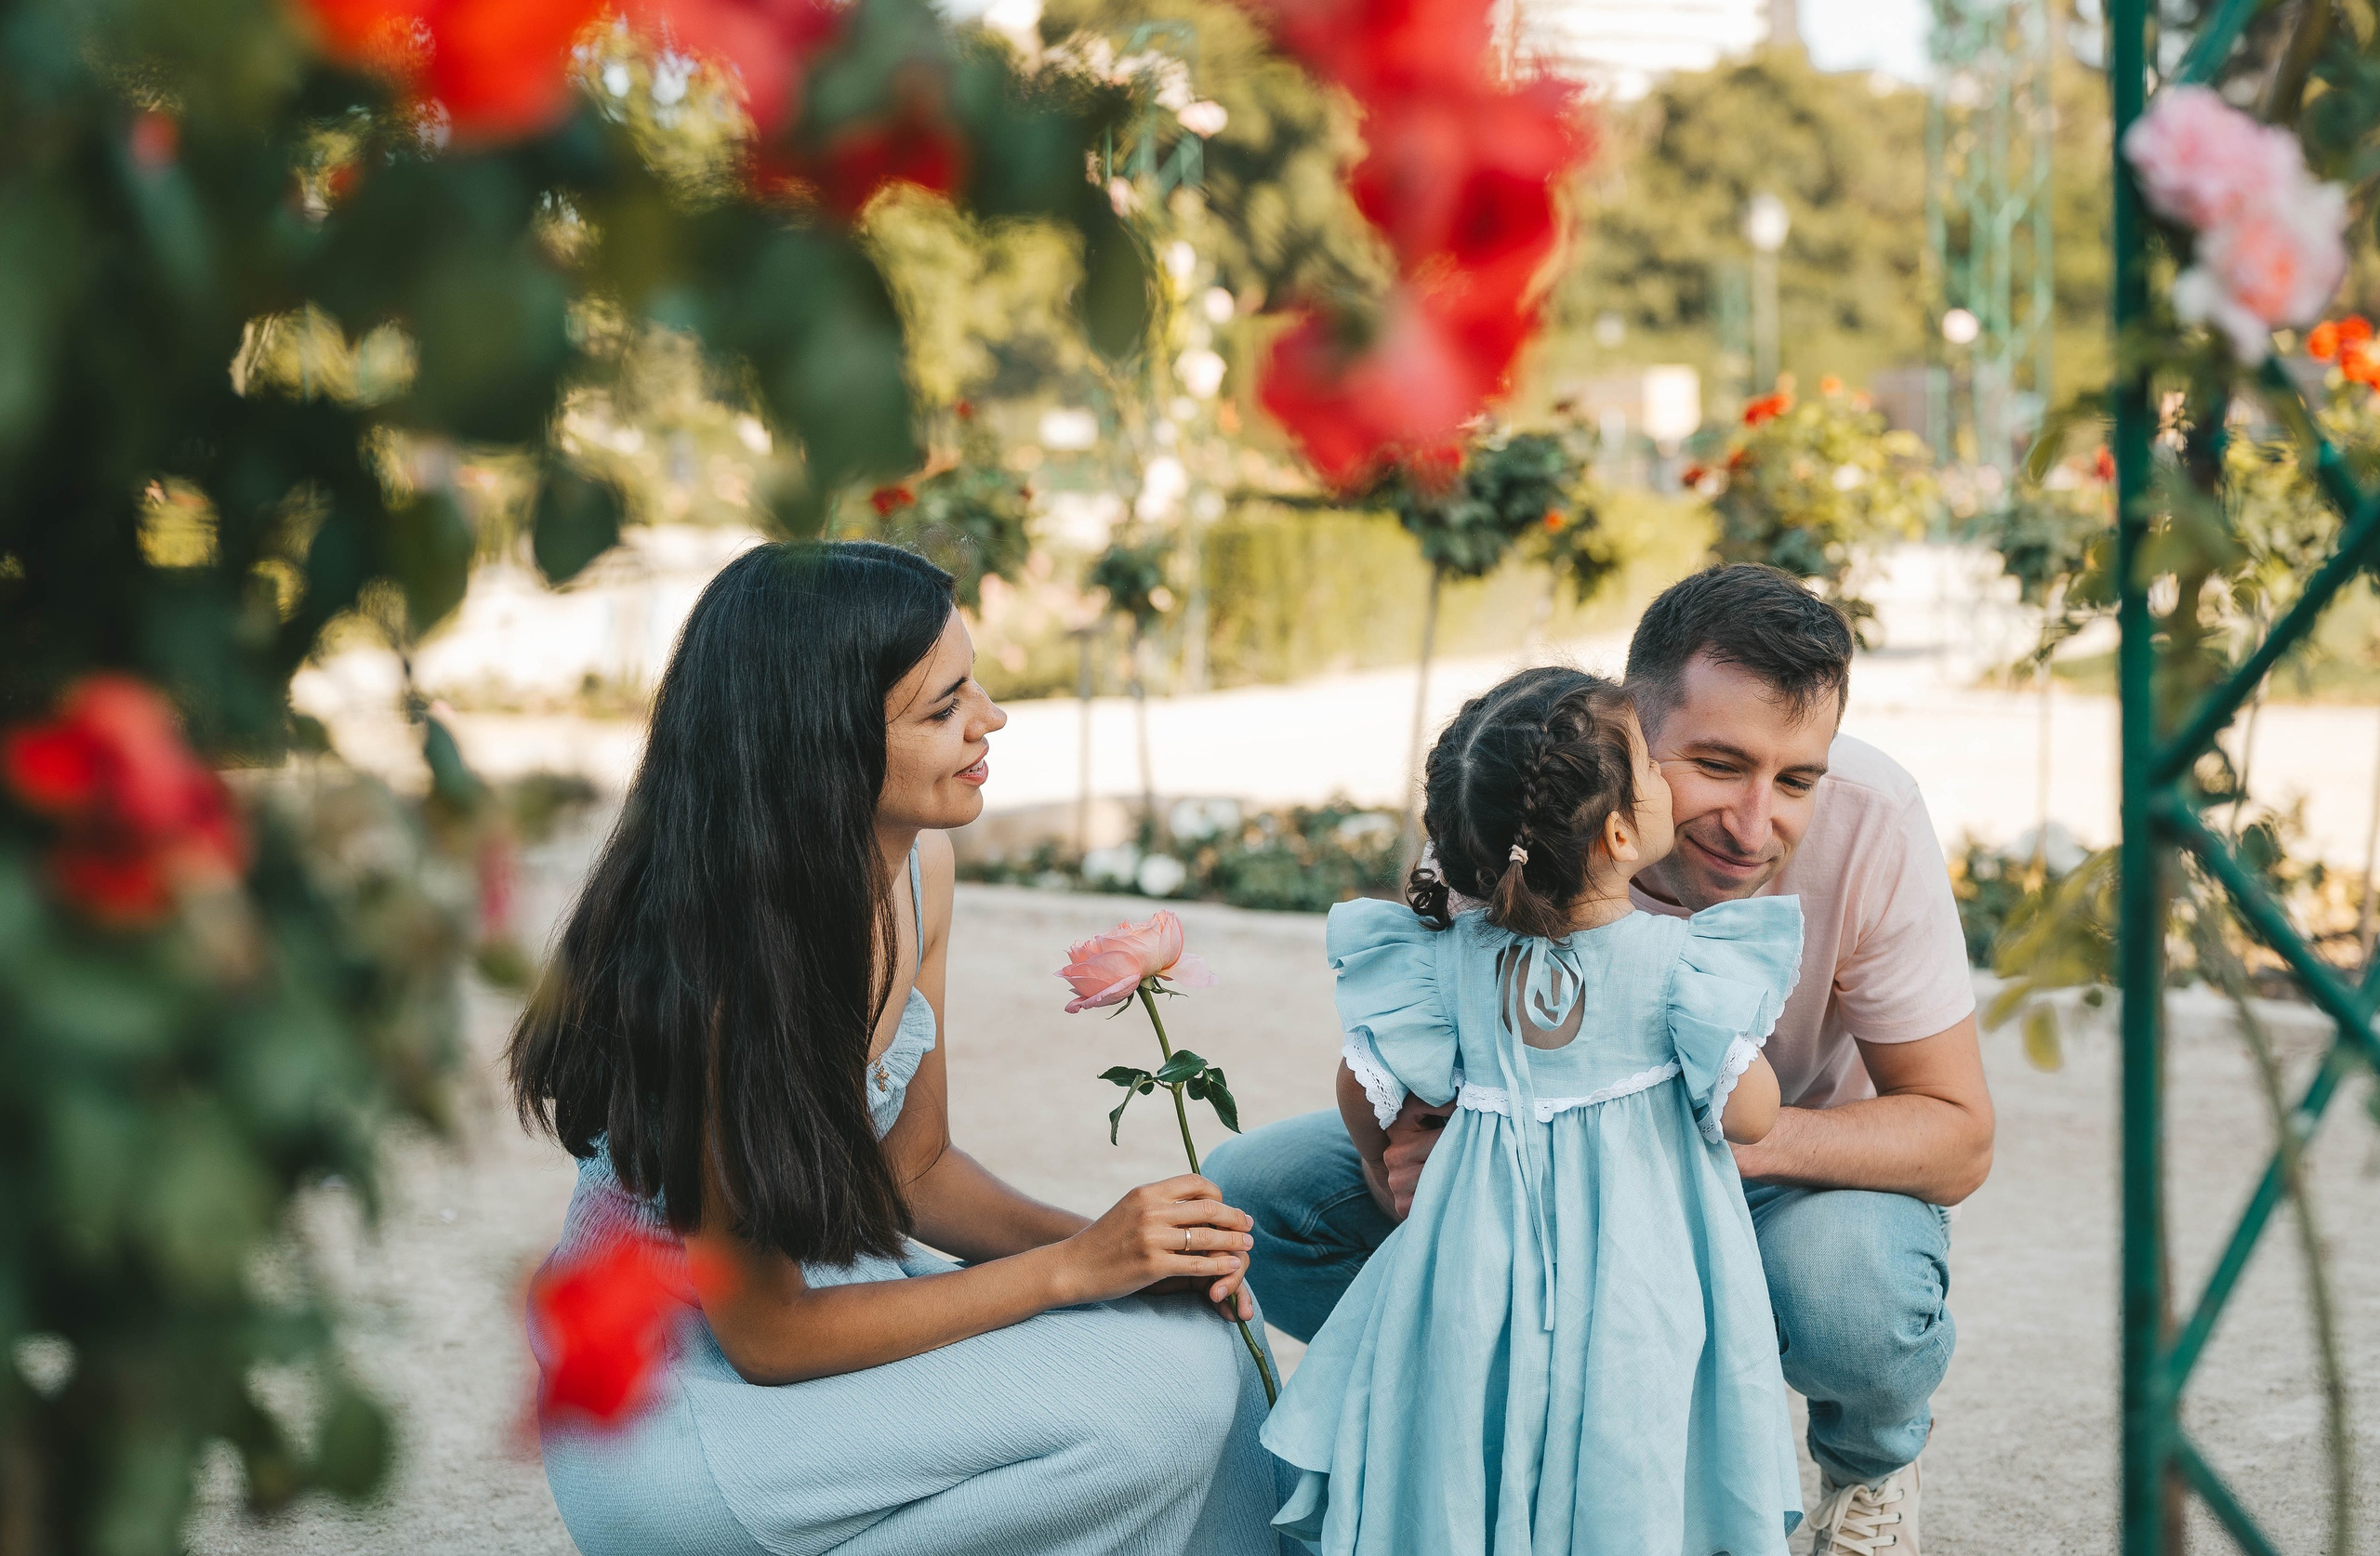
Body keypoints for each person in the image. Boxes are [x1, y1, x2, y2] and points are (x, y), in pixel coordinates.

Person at [510, 541, 1283, 1556]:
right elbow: (768, 1336)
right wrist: (1071, 1270)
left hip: (818, 1303)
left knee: (1204, 1330)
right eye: (942, 708)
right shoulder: (729, 967)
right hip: (677, 1404)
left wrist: (1130, 1254)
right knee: (1158, 1406)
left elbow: (914, 1171)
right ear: (821, 745)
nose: (991, 718)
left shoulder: (919, 870)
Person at [1212, 564, 1994, 1556]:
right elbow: (1403, 1060)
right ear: (1627, 731)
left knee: (1852, 1289)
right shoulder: (1524, 797)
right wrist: (1401, 1158)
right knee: (1254, 1195)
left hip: (1784, 1182)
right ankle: (1476, 1417)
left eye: (1798, 779)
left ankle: (1872, 1462)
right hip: (1529, 1177)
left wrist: (1702, 1149)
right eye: (1717, 766)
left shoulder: (1871, 818)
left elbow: (1956, 1137)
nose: (1758, 826)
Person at [1262, 668, 1805, 1553]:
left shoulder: (1444, 961)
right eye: (1651, 768)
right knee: (1633, 1429)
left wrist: (1383, 1174)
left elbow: (1359, 1085)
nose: (1668, 778)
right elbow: (1750, 1116)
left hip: (1470, 1265)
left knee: (1473, 1418)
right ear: (1623, 832)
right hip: (1644, 1271)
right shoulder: (1680, 964)